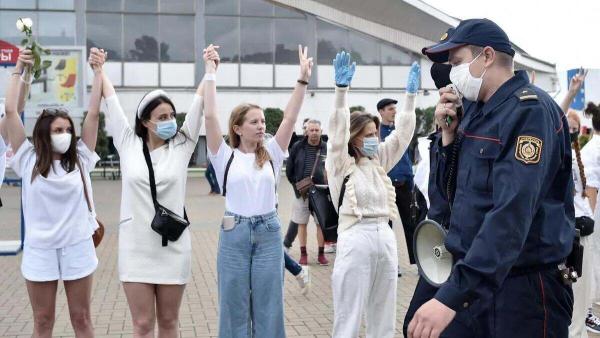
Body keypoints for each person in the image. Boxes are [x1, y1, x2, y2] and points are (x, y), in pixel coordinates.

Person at [408, 19, 574, 338]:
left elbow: (511, 213)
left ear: (486, 56)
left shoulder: (529, 111)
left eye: (457, 63)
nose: (453, 73)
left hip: (521, 289)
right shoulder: (476, 112)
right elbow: (447, 201)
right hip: (476, 279)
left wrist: (452, 297)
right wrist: (447, 137)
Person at [99, 45, 213, 337]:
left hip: (173, 246)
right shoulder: (127, 143)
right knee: (142, 324)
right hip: (136, 246)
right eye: (161, 117)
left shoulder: (183, 144)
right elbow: (110, 101)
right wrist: (99, 69)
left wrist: (210, 69)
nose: (169, 121)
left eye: (171, 115)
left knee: (169, 322)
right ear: (145, 121)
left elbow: (200, 103)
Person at [204, 44, 312, 338]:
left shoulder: (273, 153)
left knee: (269, 306)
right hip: (233, 232)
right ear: (238, 128)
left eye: (263, 121)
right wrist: (210, 73)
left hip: (268, 232)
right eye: (254, 122)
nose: (262, 126)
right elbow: (211, 117)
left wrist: (302, 79)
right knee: (233, 306)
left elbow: (289, 118)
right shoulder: (223, 155)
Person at [4, 48, 104, 337]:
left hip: (77, 247)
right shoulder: (27, 159)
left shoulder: (81, 158)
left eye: (68, 129)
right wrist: (18, 69)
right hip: (40, 250)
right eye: (58, 129)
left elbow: (94, 113)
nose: (65, 134)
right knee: (43, 321)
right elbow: (11, 111)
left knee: (82, 318)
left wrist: (98, 73)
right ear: (44, 133)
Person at [326, 50, 419, 338]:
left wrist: (410, 98)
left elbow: (402, 136)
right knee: (349, 314)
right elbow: (337, 132)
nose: (373, 139)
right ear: (353, 137)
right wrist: (342, 92)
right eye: (367, 134)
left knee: (384, 312)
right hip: (356, 237)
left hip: (385, 239)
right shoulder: (340, 164)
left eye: (375, 133)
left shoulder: (378, 160)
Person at [565, 111, 597, 338]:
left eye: (574, 128)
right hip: (568, 235)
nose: (571, 131)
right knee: (574, 289)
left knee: (582, 291)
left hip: (581, 231)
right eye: (567, 127)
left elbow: (586, 195)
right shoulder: (555, 156)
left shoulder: (577, 156)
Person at [377, 97, 418, 264]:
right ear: (381, 112)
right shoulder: (376, 132)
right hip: (386, 186)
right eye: (390, 109)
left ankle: (418, 264)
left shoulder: (402, 130)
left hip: (405, 184)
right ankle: (391, 263)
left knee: (412, 225)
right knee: (386, 227)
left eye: (395, 108)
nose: (394, 111)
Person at [285, 119, 328, 266]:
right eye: (311, 130)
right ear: (306, 131)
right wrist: (296, 185)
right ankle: (303, 254)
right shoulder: (298, 147)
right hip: (302, 193)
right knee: (301, 223)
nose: (314, 133)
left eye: (317, 130)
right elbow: (290, 170)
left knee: (320, 224)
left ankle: (321, 254)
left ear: (321, 131)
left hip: (321, 193)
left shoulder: (325, 148)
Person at [582, 101, 600, 332]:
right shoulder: (593, 149)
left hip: (592, 214)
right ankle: (587, 312)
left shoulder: (591, 148)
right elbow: (591, 190)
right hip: (592, 214)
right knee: (591, 259)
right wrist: (591, 218)